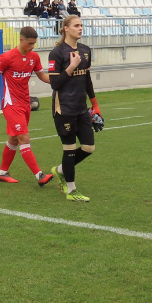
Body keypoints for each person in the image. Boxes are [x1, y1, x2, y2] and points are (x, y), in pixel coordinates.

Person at [0, 26, 56, 186]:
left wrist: (59, 80)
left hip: (25, 103)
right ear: (21, 40)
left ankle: (2, 173)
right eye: (30, 43)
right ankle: (39, 175)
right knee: (24, 137)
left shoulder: (34, 57)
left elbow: (42, 75)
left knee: (14, 139)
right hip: (11, 104)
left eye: (34, 44)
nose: (32, 47)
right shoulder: (7, 57)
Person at [46, 15, 102, 202]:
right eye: (76, 26)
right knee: (69, 149)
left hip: (81, 108)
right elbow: (55, 83)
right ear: (66, 29)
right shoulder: (57, 53)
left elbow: (87, 79)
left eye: (81, 25)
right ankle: (71, 190)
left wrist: (94, 105)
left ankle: (61, 169)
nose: (80, 28)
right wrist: (71, 67)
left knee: (88, 147)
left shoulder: (85, 50)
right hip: (64, 109)